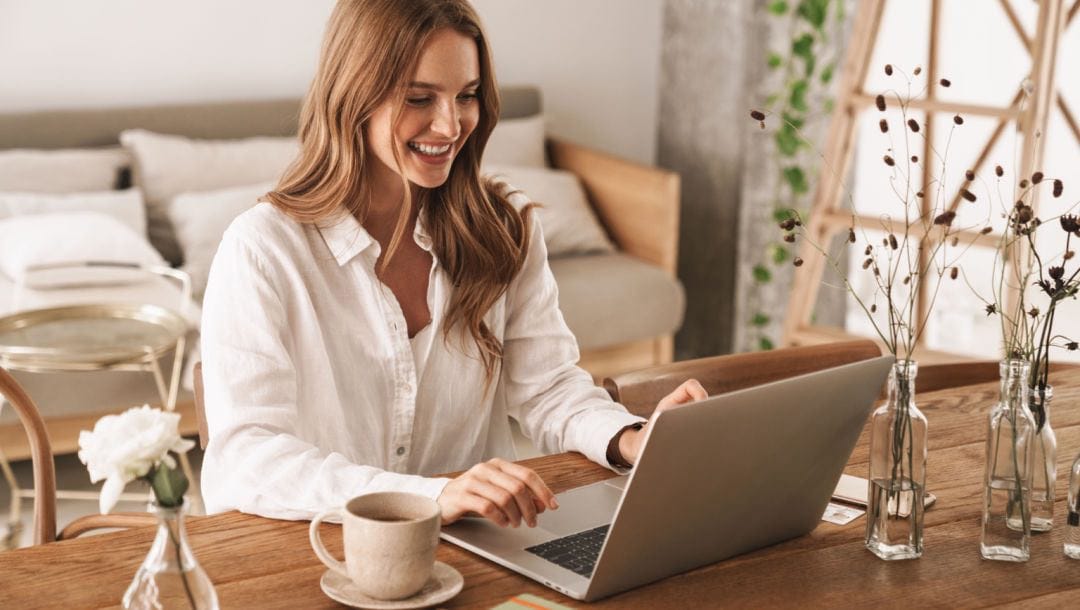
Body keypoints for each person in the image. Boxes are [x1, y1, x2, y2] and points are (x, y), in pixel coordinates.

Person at [199, 0, 706, 529]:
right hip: (325, 552)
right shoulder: (263, 249)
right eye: (420, 98)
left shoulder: (504, 227)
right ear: (354, 96)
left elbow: (548, 386)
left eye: (466, 96)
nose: (450, 125)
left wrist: (633, 439)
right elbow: (246, 458)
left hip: (481, 548)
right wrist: (430, 496)